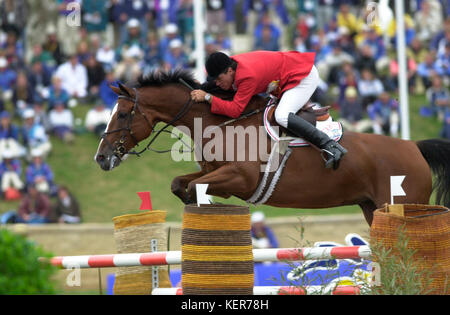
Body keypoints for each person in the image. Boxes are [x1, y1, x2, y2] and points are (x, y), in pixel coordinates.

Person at [190, 51, 347, 169]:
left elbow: (235, 110)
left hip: (303, 77)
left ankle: (330, 146)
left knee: (281, 116)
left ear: (229, 71)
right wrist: (201, 87)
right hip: (287, 77)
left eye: (218, 79)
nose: (217, 84)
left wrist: (207, 98)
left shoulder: (247, 76)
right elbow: (218, 85)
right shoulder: (232, 66)